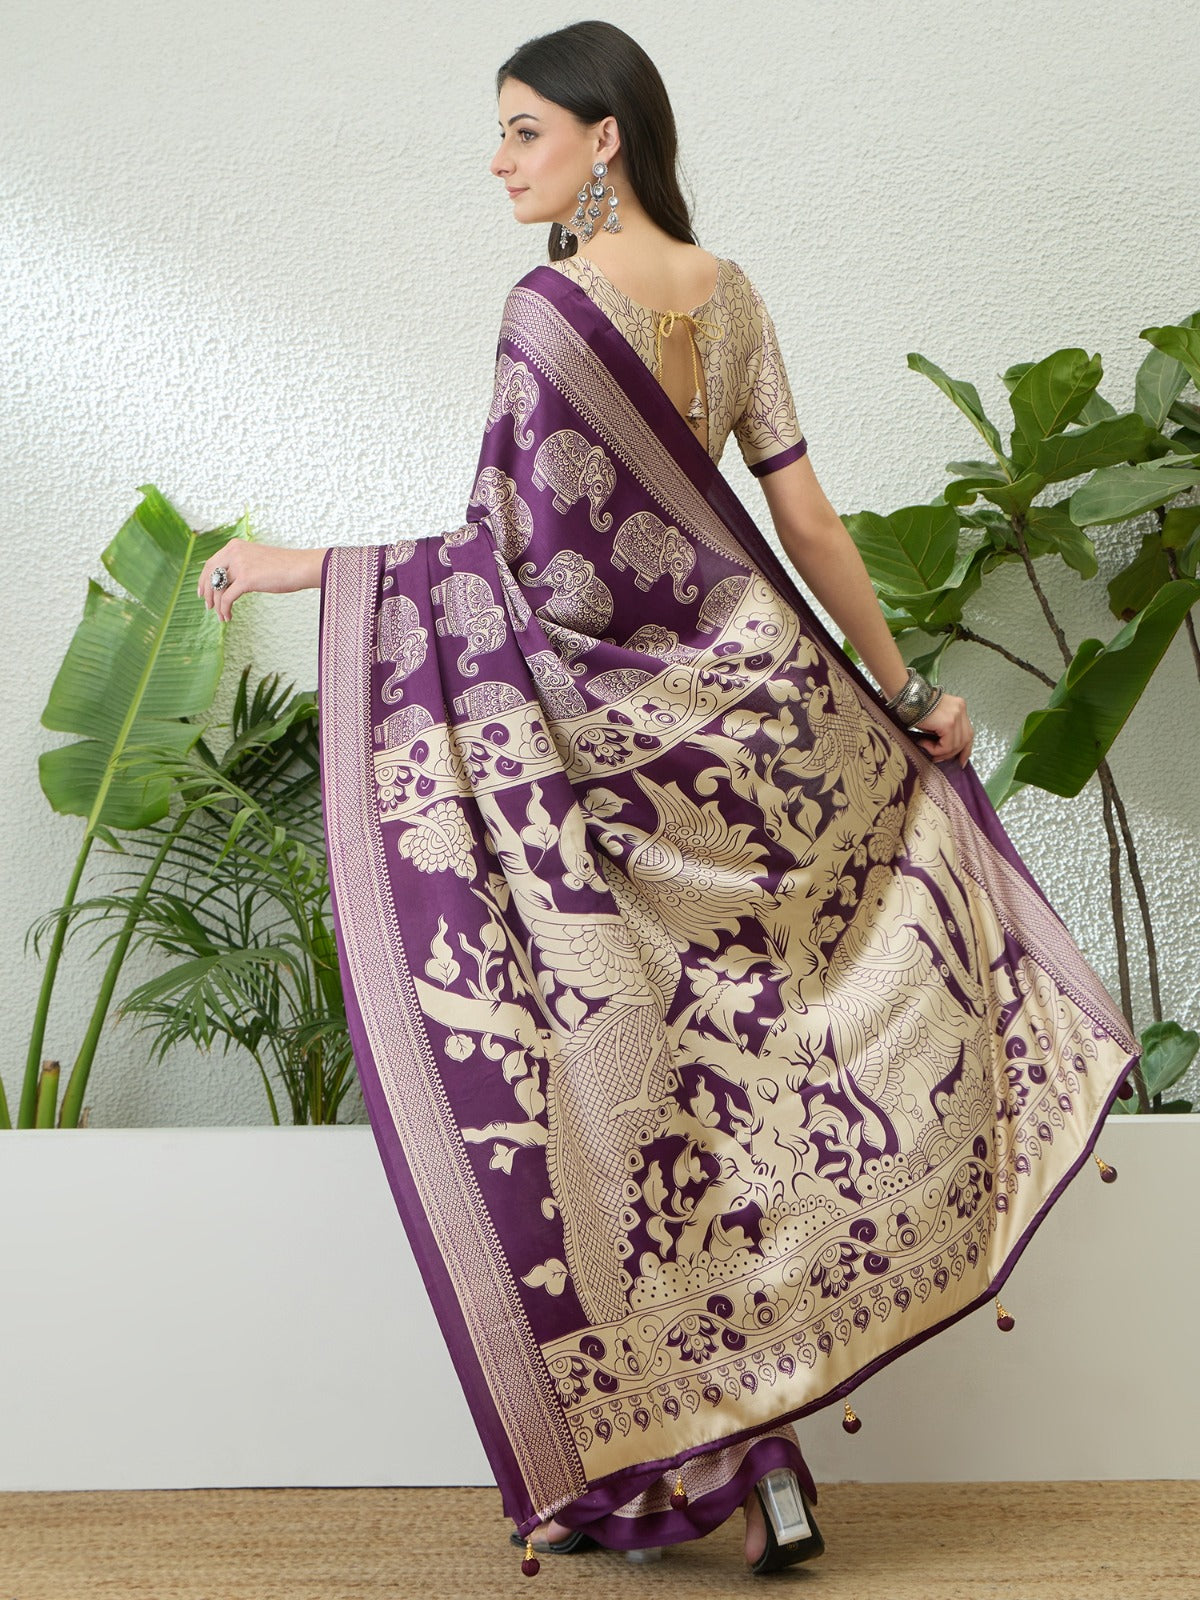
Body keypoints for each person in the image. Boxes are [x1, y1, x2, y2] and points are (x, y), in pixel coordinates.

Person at [198, 20, 1137, 1578]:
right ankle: (764, 1467)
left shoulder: (548, 312)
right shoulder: (732, 292)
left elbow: (508, 565)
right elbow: (810, 523)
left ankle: (737, 1459)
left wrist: (300, 564)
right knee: (758, 1087)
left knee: (654, 1101)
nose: (497, 162)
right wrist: (905, 697)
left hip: (606, 770)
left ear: (603, 138)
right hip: (765, 743)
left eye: (519, 133)